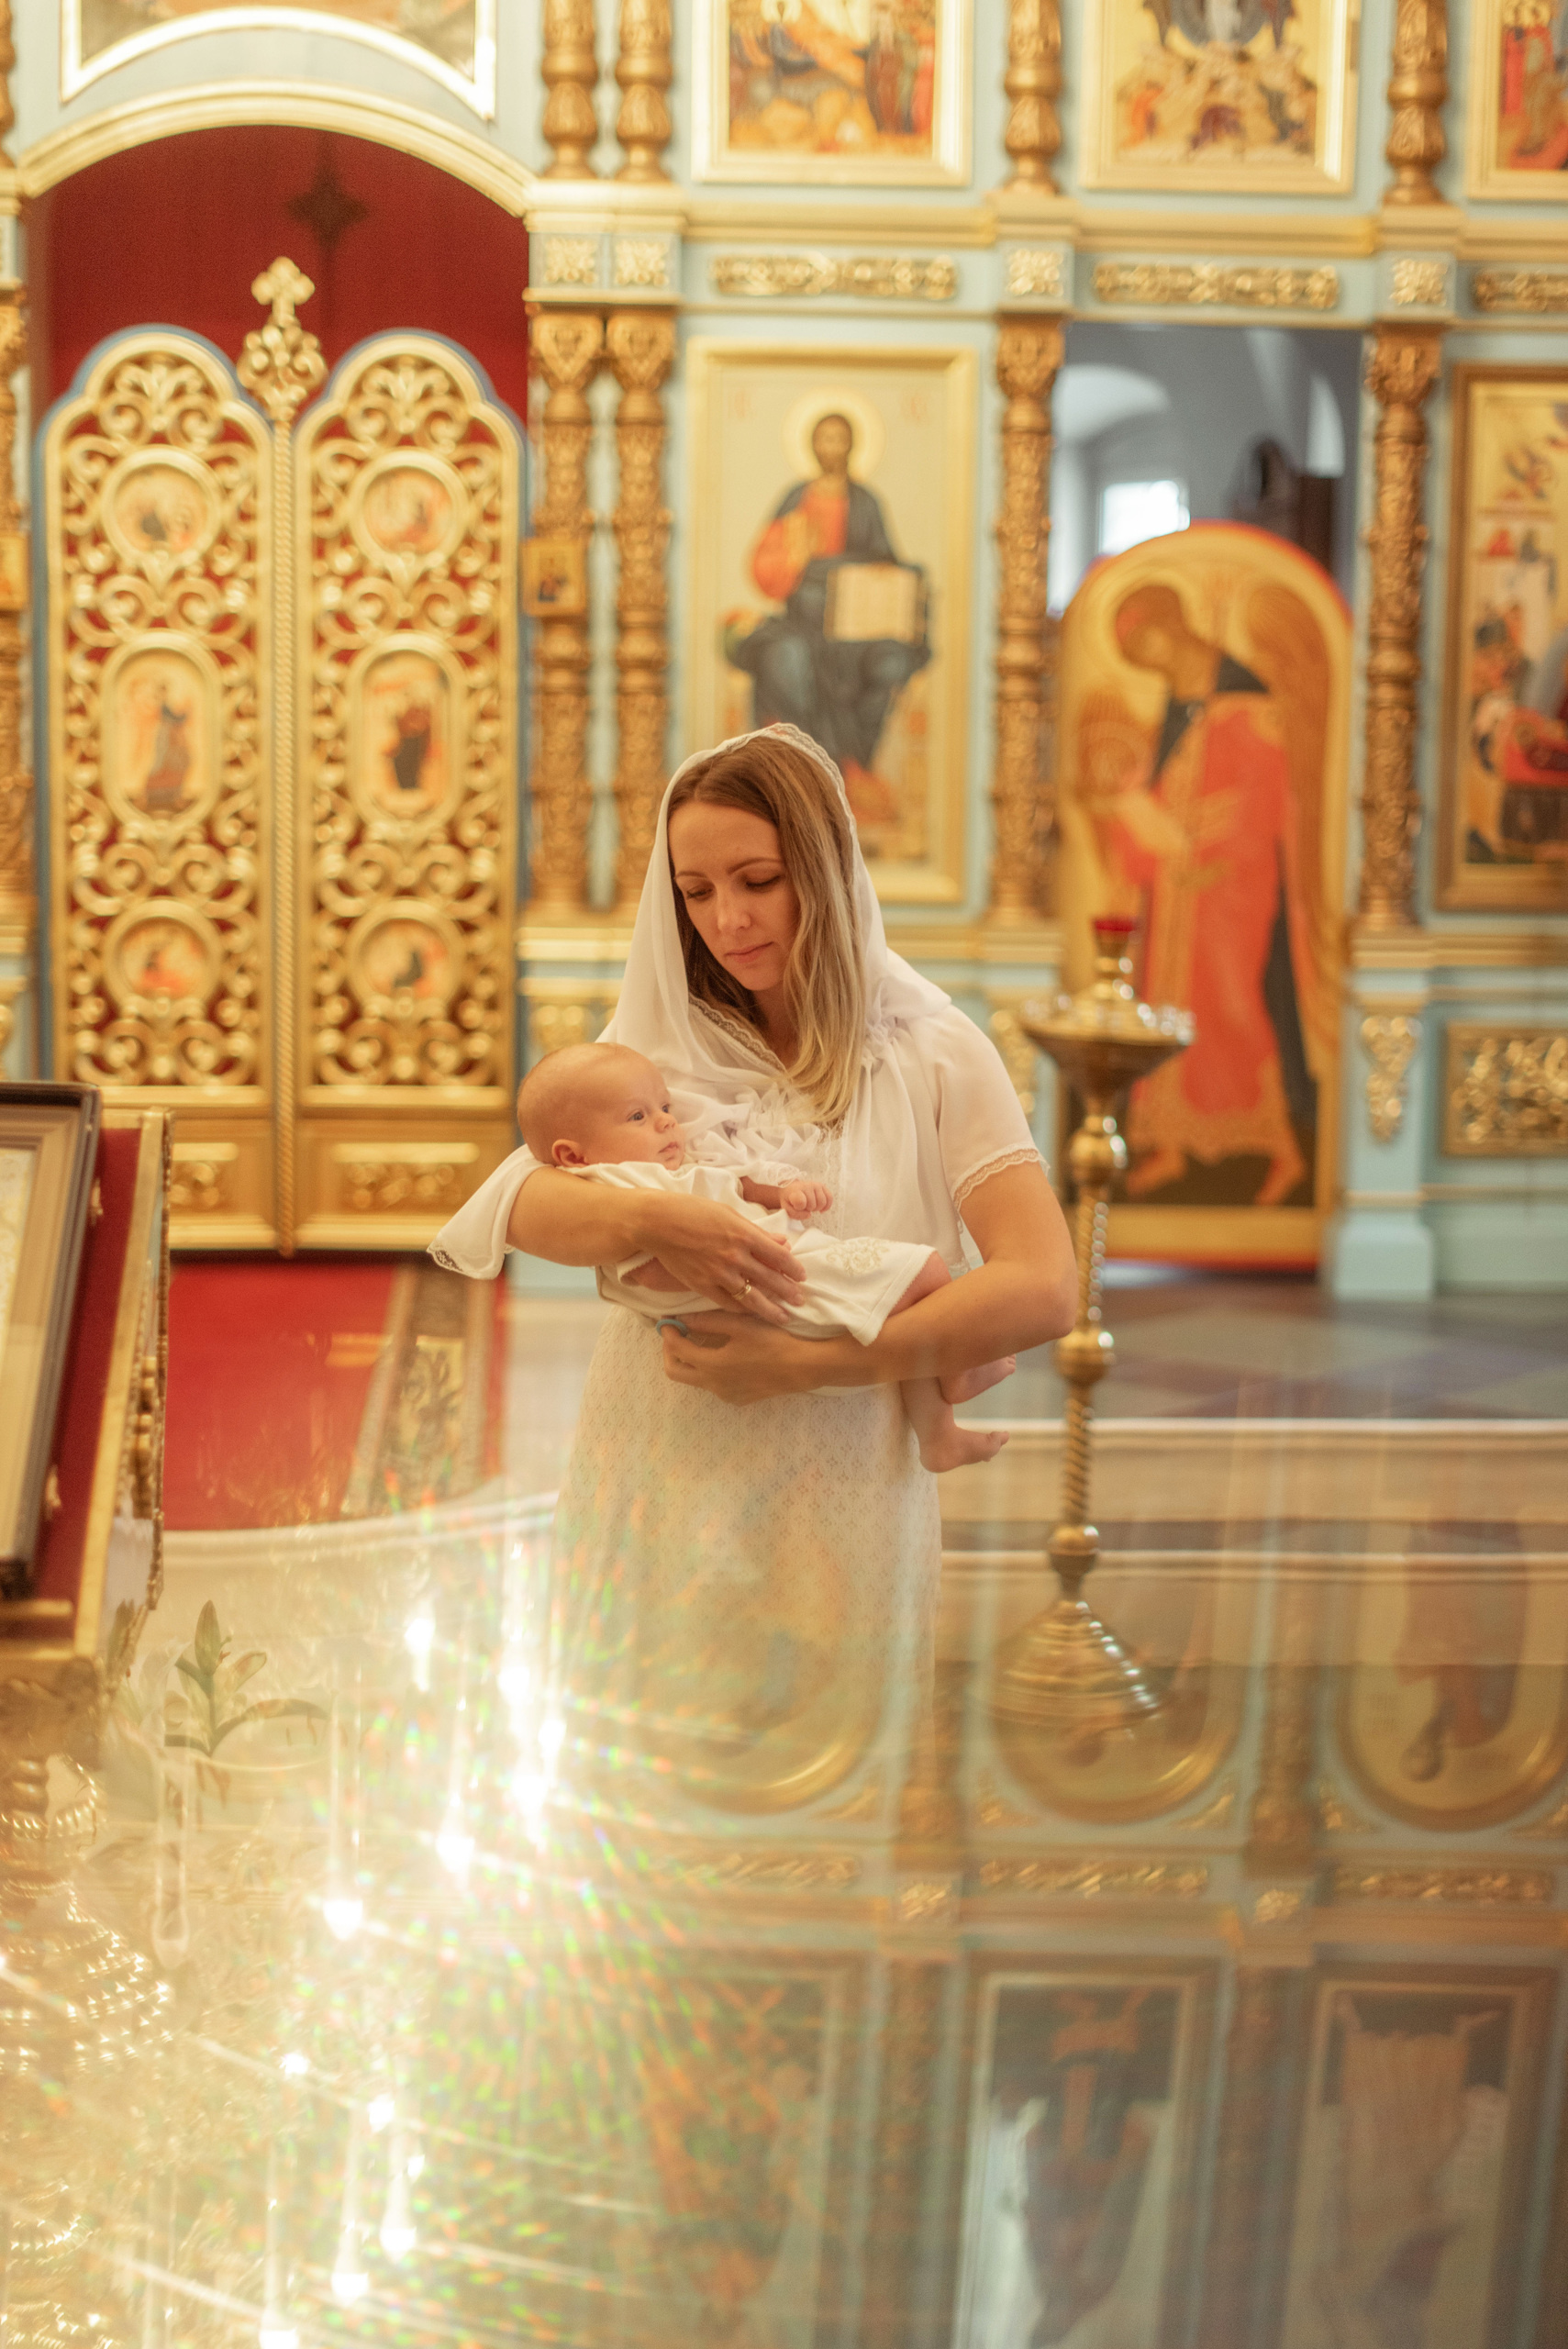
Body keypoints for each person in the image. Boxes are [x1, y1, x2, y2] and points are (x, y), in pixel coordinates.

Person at [431, 724, 1075, 1758]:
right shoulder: (656, 1040)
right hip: (661, 1455)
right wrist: (653, 1216)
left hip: (843, 1476)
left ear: (818, 869)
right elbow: (518, 1204)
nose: (724, 920)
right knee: (650, 1787)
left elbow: (1043, 1287)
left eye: (757, 880)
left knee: (830, 1777)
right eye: (693, 891)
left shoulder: (934, 1053)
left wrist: (807, 1364)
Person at [515, 1038, 1014, 1473]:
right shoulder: (613, 1186)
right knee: (924, 1271)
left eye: (664, 1107)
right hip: (778, 1275)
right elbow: (641, 1274)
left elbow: (733, 1184)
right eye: (638, 1116)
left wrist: (783, 1195)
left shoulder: (663, 1169)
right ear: (573, 1156)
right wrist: (721, 1275)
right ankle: (959, 1369)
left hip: (785, 1262)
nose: (667, 1122)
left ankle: (937, 1436)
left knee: (903, 1304)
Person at [1106, 582, 1312, 1208]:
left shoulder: (1243, 696)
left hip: (1230, 892)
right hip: (1178, 898)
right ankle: (1171, 1143)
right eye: (1140, 657)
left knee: (1234, 1010)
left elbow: (1259, 804)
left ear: (1176, 626)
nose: (1154, 662)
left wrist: (1205, 846)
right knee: (1169, 1009)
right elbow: (1167, 784)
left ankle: (1284, 1151)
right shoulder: (1180, 703)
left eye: (1152, 645)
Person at [725, 412, 929, 827]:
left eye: (840, 439)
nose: (832, 447)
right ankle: (798, 777)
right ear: (813, 446)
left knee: (887, 663)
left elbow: (885, 559)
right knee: (787, 656)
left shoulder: (866, 502)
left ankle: (852, 771)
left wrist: (872, 576)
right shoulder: (796, 498)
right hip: (802, 617)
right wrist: (793, 559)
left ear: (851, 446)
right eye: (824, 439)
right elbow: (766, 565)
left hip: (856, 622)